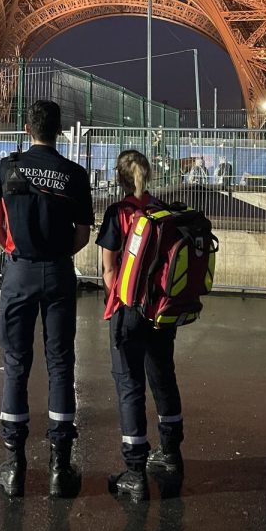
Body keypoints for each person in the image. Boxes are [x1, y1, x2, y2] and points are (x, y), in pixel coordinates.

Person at [0, 100, 94, 498]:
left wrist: (15, 253)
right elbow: (82, 235)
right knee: (61, 363)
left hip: (18, 271)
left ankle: (14, 466)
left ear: (27, 128)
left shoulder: (6, 167)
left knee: (15, 363)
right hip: (59, 270)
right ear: (59, 130)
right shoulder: (75, 174)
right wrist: (57, 256)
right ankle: (60, 469)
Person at [97, 150, 185, 502]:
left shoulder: (117, 213)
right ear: (149, 177)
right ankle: (170, 453)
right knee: (163, 376)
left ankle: (134, 472)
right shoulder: (163, 211)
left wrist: (122, 298)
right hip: (161, 313)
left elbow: (108, 271)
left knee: (130, 385)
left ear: (119, 179)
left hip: (128, 312)